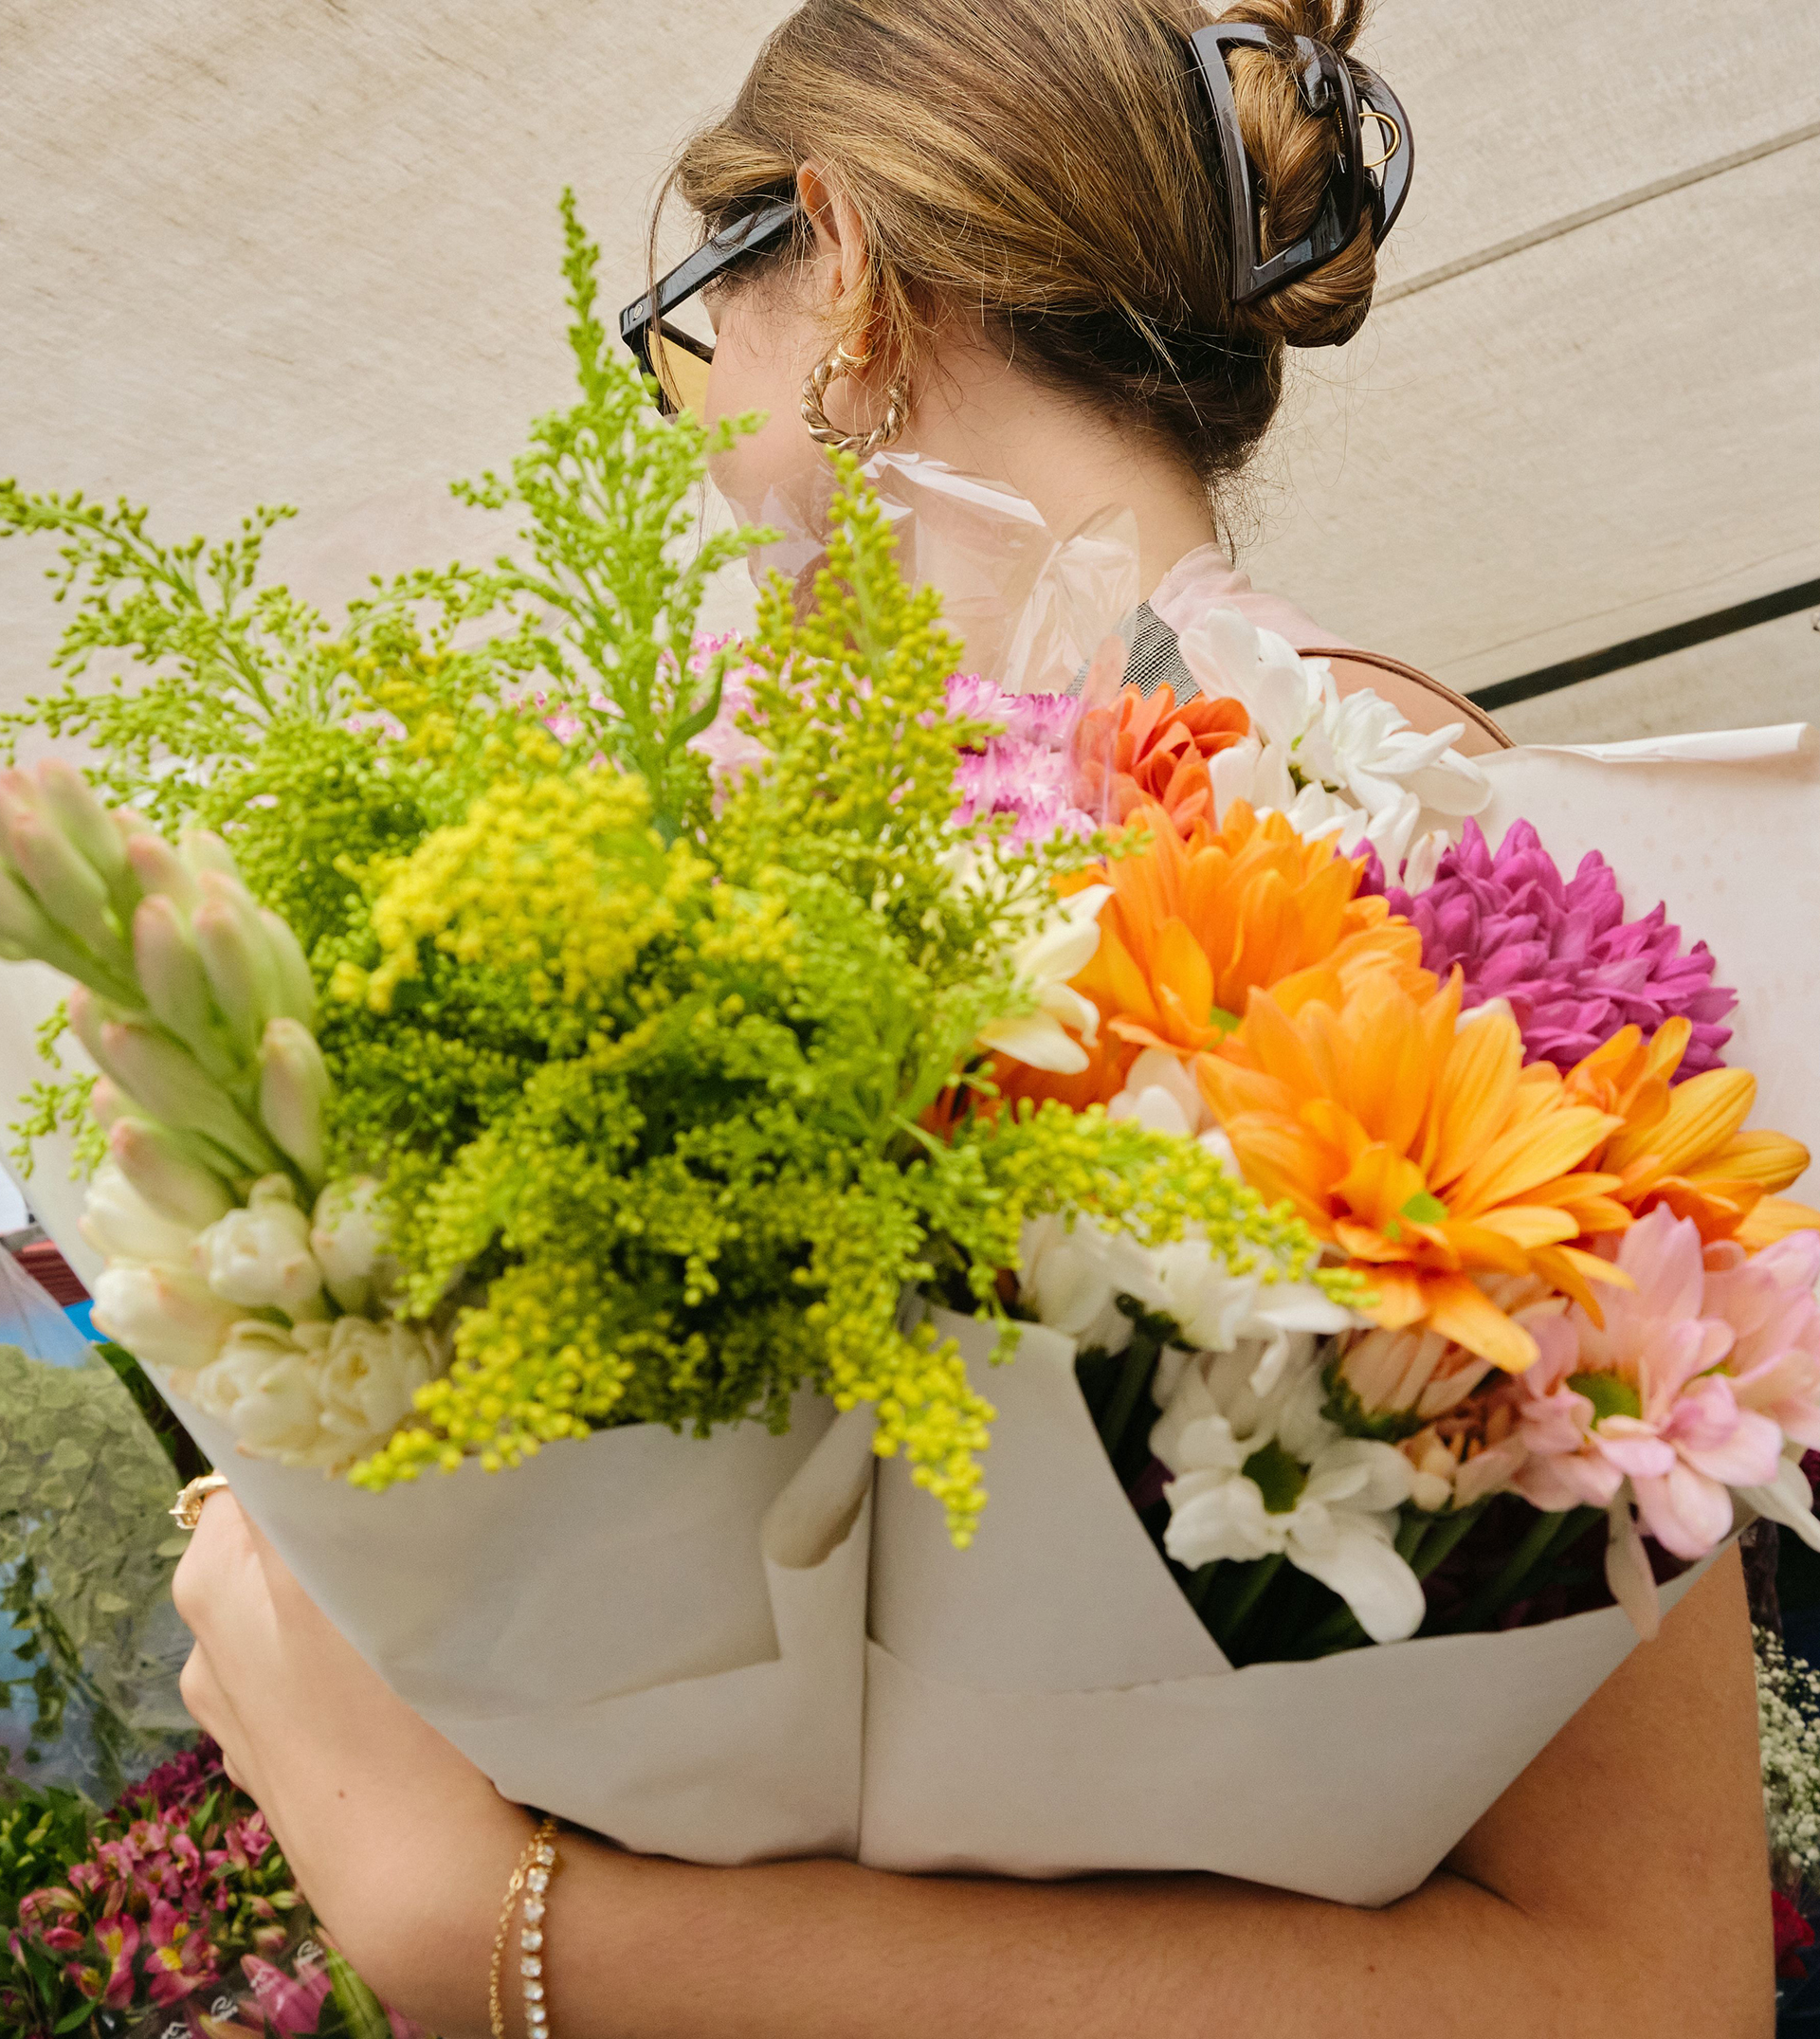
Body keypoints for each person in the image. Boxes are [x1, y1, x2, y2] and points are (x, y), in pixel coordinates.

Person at [173, 0, 1774, 2032]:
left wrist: (490, 1914)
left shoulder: (1406, 829)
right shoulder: (739, 856)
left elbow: (1652, 1978)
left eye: (680, 322)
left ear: (833, 266)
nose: (672, 414)